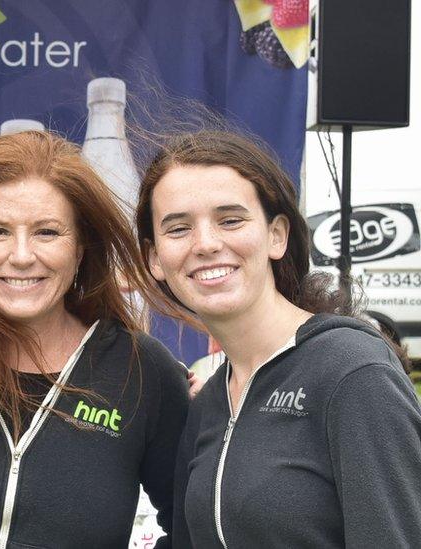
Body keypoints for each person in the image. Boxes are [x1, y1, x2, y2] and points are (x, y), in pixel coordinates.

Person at [0, 130, 191, 548]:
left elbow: (195, 525)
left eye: (47, 232)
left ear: (81, 247)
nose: (23, 255)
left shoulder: (141, 371)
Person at [136, 130, 421, 548]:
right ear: (155, 259)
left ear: (277, 235)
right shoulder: (210, 402)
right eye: (178, 228)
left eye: (230, 220)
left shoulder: (352, 371)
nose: (206, 244)